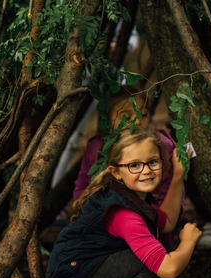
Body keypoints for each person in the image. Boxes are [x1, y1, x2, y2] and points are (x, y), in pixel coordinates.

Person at [43, 126, 202, 278]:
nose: (146, 171)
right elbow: (169, 268)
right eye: (135, 165)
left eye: (153, 162)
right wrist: (188, 241)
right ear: (116, 171)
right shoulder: (124, 213)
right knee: (147, 265)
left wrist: (177, 176)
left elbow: (166, 221)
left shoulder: (130, 196)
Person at [73, 86, 184, 252]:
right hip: (107, 241)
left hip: (154, 240)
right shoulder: (97, 149)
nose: (137, 121)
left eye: (143, 114)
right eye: (126, 116)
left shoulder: (164, 147)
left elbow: (167, 219)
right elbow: (81, 190)